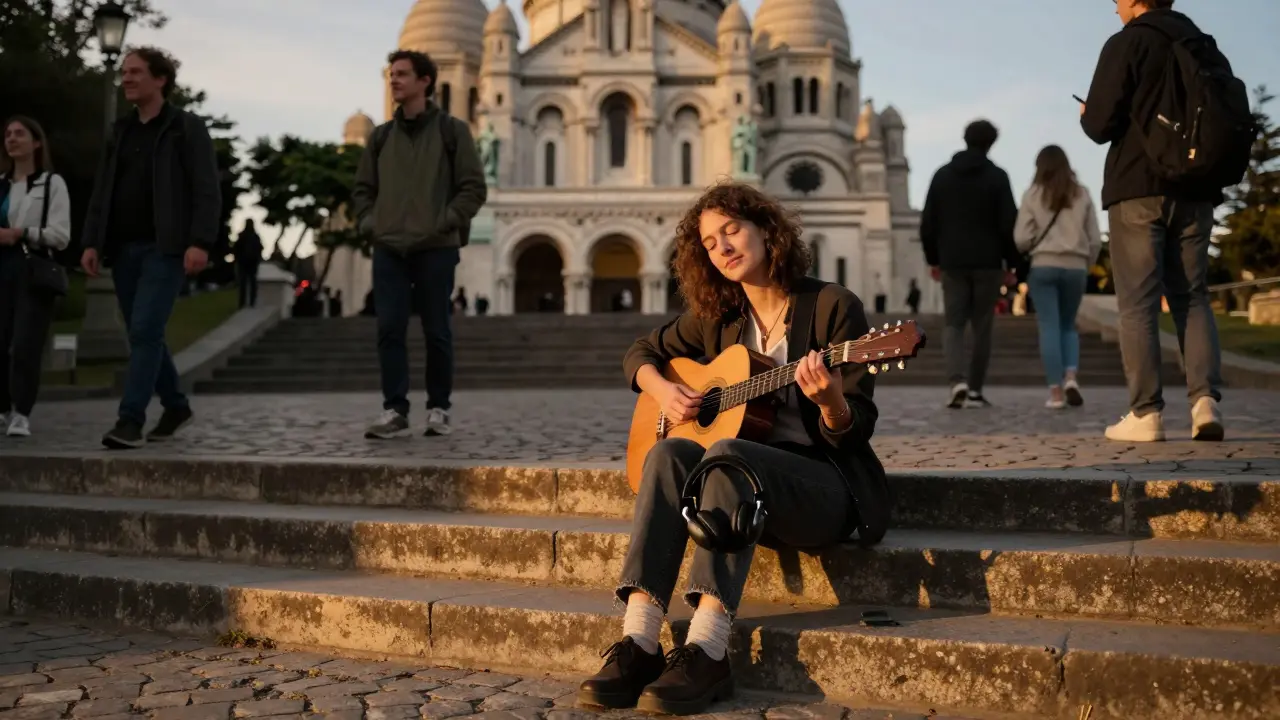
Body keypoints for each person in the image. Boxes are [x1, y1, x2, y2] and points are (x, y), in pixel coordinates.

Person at [576, 182, 891, 716]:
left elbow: (854, 427)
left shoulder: (833, 306)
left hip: (821, 487)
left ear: (768, 232)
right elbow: (640, 352)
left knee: (728, 450)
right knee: (668, 454)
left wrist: (832, 402)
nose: (720, 246)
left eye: (731, 230)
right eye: (708, 241)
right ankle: (641, 639)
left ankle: (707, 649)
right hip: (741, 492)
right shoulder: (720, 319)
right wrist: (663, 389)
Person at [1081, 0, 1232, 442]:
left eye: (1116, 1)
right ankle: (1205, 403)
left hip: (1138, 186)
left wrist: (1087, 113)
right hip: (1197, 187)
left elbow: (1100, 124)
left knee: (1138, 304)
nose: (1114, 8)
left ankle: (1146, 413)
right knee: (1193, 296)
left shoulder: (1128, 42)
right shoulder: (1202, 43)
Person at [80, 47, 221, 449]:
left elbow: (206, 189)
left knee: (144, 329)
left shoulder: (185, 127)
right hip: (123, 249)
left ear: (160, 79)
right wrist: (92, 241)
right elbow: (102, 191)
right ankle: (176, 406)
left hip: (167, 247)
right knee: (143, 334)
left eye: (136, 72)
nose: (126, 79)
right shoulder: (120, 132)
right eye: (124, 73)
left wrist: (200, 241)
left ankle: (130, 420)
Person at [353, 49, 487, 440]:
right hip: (389, 247)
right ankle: (394, 409)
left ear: (426, 81)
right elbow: (363, 190)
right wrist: (371, 224)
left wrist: (442, 222)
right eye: (391, 74)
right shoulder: (380, 137)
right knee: (389, 329)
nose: (393, 80)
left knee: (437, 331)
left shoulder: (452, 131)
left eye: (402, 74)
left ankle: (438, 408)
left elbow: (473, 188)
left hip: (437, 247)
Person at [920, 119, 1020, 409]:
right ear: (991, 143)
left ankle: (956, 381)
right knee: (982, 326)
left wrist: (934, 259)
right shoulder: (998, 177)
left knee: (953, 324)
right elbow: (1008, 224)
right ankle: (975, 390)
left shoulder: (942, 176)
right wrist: (1012, 265)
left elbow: (928, 223)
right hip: (989, 263)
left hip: (952, 262)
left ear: (965, 139)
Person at [1015, 145, 1103, 410]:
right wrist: (1086, 265)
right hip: (1075, 266)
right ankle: (1071, 377)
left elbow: (1021, 238)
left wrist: (1032, 244)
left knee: (1049, 327)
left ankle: (1055, 393)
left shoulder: (1033, 194)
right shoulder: (1082, 194)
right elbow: (1095, 239)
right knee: (1068, 326)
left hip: (1044, 265)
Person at [0, 116, 71, 437]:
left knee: (25, 343)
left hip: (32, 268)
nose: (12, 139)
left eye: (19, 134)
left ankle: (21, 412)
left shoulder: (51, 183)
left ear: (36, 142)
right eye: (8, 135)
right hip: (1, 268)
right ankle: (2, 409)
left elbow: (61, 235)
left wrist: (21, 233)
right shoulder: (1, 183)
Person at [234, 219, 262, 308]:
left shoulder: (242, 235)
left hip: (243, 262)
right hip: (253, 262)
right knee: (253, 282)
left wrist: (237, 259)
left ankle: (242, 302)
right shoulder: (256, 236)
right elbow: (260, 248)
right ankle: (252, 302)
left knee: (243, 282)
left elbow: (236, 248)